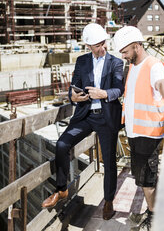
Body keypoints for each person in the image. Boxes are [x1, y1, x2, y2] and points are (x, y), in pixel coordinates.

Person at [42, 23, 124, 220]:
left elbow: (119, 89)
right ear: (88, 46)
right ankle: (61, 189)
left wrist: (103, 93)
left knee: (109, 162)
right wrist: (74, 97)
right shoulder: (82, 61)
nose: (101, 47)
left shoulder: (116, 63)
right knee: (62, 144)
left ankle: (108, 201)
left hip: (106, 118)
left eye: (103, 42)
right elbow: (74, 88)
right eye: (97, 45)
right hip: (85, 115)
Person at [113, 26, 164, 231]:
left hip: (148, 132)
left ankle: (154, 217)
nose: (124, 56)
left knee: (147, 177)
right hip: (135, 131)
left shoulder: (153, 65)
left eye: (126, 51)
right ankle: (154, 209)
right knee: (142, 176)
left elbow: (162, 84)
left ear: (137, 46)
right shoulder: (134, 66)